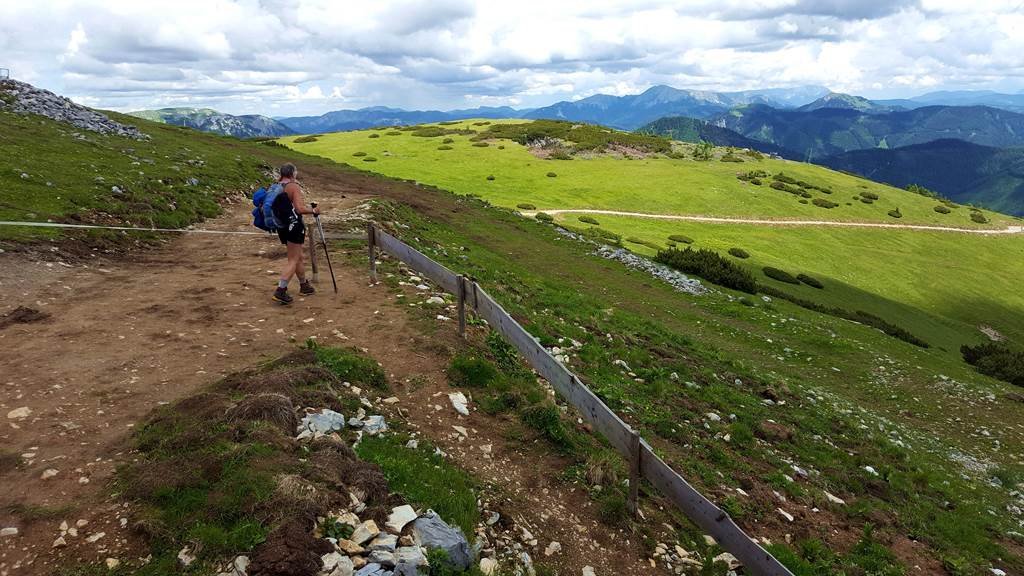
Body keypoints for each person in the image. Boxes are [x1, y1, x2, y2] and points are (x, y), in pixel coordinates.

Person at [272, 163, 319, 304]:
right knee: (293, 259)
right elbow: (299, 209)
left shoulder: (278, 186)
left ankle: (304, 285)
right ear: (293, 173)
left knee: (297, 256)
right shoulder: (293, 186)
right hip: (294, 225)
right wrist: (314, 211)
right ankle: (281, 290)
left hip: (282, 226)